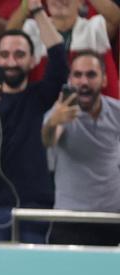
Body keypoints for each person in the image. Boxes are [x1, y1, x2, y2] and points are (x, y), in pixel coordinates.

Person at [0, 13, 68, 244]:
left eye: (19, 55)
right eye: (5, 55)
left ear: (32, 60)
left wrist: (37, 12)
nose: (11, 62)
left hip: (34, 208)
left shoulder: (39, 96)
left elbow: (58, 54)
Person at [43, 52, 120, 246]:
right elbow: (48, 140)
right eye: (77, 75)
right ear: (70, 80)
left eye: (91, 75)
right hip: (69, 221)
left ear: (104, 79)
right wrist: (53, 122)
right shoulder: (60, 113)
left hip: (111, 220)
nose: (83, 81)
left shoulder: (117, 112)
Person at [9, 0, 118, 98]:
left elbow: (115, 18)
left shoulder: (94, 28)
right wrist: (29, 5)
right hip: (44, 111)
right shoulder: (33, 29)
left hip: (89, 112)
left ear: (81, 2)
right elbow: (9, 35)